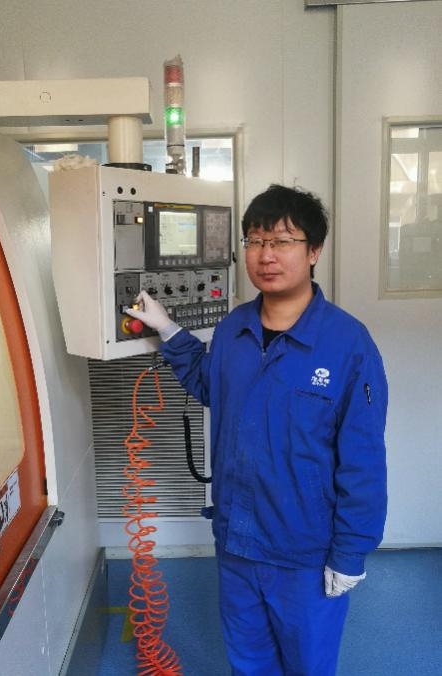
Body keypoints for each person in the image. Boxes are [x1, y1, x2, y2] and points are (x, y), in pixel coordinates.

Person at [126, 184, 388, 676]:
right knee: (248, 660)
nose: (266, 255)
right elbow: (211, 384)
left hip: (304, 549)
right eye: (255, 241)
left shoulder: (348, 344)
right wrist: (169, 330)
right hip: (237, 541)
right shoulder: (234, 329)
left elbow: (364, 461)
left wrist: (351, 551)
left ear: (314, 251)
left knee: (308, 665)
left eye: (283, 241)